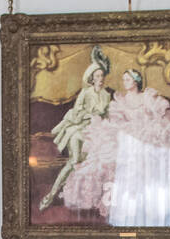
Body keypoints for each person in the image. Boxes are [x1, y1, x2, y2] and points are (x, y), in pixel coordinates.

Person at [59, 67, 170, 227]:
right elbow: (117, 120)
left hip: (148, 130)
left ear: (136, 81)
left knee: (154, 148)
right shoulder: (120, 100)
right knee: (110, 150)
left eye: (127, 79)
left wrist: (167, 121)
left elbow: (162, 112)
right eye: (123, 79)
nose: (124, 82)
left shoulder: (147, 96)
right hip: (129, 132)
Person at [38, 49, 113, 212]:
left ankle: (84, 196)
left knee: (98, 162)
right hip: (79, 131)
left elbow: (107, 116)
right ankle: (50, 195)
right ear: (92, 78)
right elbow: (76, 112)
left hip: (96, 132)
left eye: (102, 76)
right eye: (97, 76)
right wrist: (91, 114)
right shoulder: (86, 93)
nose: (100, 79)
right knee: (74, 162)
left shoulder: (107, 95)